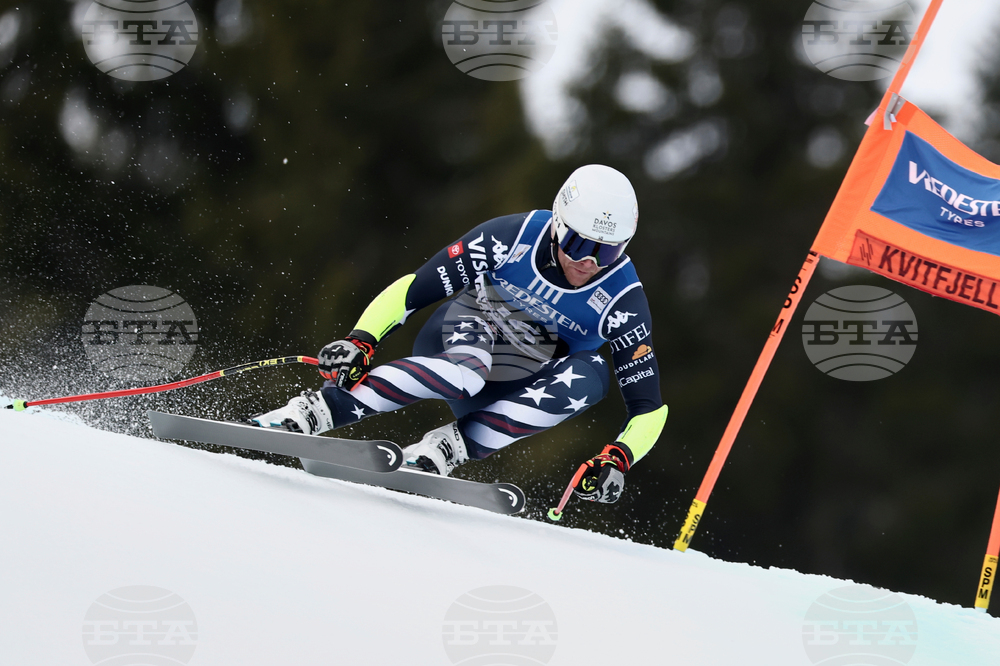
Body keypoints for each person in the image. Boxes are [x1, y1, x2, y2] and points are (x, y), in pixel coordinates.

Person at [252, 164, 668, 505]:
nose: (590, 262)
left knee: (592, 374)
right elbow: (414, 289)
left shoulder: (623, 300)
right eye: (579, 245)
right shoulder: (512, 237)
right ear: (559, 223)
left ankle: (450, 446)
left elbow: (648, 408)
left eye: (608, 251)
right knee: (467, 372)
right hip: (464, 337)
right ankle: (319, 409)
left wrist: (619, 458)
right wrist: (362, 339)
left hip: (516, 382)